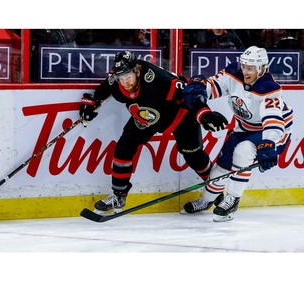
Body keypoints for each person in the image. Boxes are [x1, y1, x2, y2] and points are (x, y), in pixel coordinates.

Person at [79, 50, 228, 214]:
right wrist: (90, 103)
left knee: (193, 156)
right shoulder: (117, 81)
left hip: (180, 115)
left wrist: (203, 113)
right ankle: (118, 196)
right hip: (147, 116)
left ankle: (216, 193)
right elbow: (104, 89)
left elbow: (188, 93)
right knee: (124, 146)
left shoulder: (157, 78)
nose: (125, 82)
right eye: (121, 78)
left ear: (137, 70)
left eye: (128, 77)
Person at [182, 46, 294, 222]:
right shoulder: (234, 72)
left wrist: (269, 144)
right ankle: (206, 201)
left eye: (250, 68)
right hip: (244, 128)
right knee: (221, 167)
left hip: (273, 131)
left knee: (243, 151)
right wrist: (200, 88)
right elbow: (213, 87)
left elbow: (272, 120)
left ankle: (232, 199)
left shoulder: (269, 88)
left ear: (262, 68)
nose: (245, 71)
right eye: (244, 66)